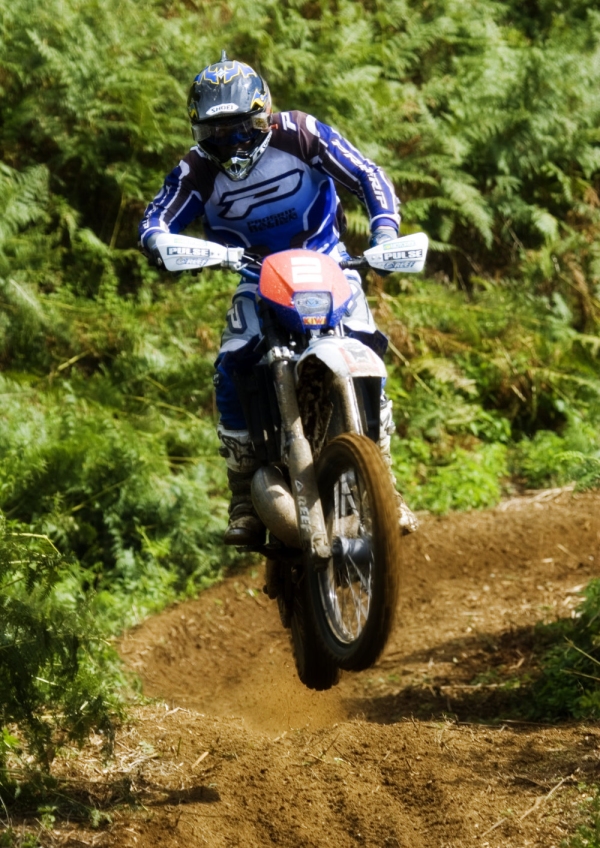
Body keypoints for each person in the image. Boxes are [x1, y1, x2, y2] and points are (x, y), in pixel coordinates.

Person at [139, 52, 417, 545]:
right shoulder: (196, 170)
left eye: (244, 127)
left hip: (329, 261)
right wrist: (163, 244)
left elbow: (367, 174)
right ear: (200, 132)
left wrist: (385, 230)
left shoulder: (301, 133)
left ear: (264, 114)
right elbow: (154, 223)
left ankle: (384, 475)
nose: (233, 141)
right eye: (217, 133)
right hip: (253, 273)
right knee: (231, 360)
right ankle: (245, 490)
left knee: (367, 344)